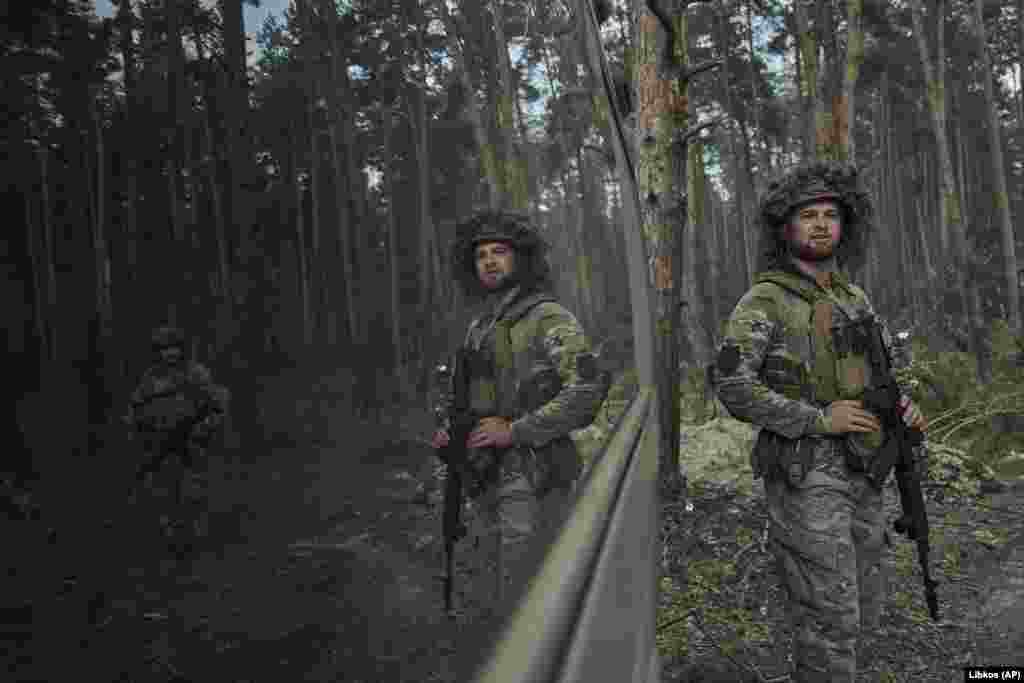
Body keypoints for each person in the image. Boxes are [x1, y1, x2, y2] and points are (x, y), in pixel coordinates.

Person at [713, 161, 928, 683]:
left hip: (865, 471)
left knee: (866, 607)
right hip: (807, 476)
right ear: (785, 228)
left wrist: (904, 411)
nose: (820, 224)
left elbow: (880, 379)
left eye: (830, 215)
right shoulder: (765, 301)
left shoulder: (854, 300)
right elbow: (731, 385)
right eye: (807, 215)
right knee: (829, 616)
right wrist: (814, 419)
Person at [431, 209, 608, 615]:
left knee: (535, 601)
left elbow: (587, 390)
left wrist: (518, 430)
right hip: (485, 480)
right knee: (497, 601)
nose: (489, 261)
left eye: (500, 252)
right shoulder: (479, 329)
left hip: (535, 477)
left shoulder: (549, 318)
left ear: (521, 259)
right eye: (481, 255)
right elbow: (472, 401)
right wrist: (451, 433)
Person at [126, 326, 229, 534]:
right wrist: (137, 427)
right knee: (163, 485)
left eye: (174, 348)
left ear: (182, 349)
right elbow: (136, 405)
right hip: (161, 439)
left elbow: (218, 404)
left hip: (191, 437)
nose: (170, 353)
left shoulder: (196, 373)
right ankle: (168, 527)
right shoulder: (151, 377)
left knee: (195, 486)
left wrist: (204, 428)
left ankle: (197, 527)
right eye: (164, 349)